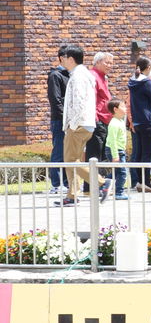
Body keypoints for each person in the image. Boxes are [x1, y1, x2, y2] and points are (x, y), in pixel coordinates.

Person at [59, 44, 106, 206]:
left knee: (70, 161)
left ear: (71, 59)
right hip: (85, 124)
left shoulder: (78, 76)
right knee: (74, 160)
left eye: (64, 58)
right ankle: (72, 195)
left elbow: (78, 102)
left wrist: (72, 125)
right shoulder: (83, 74)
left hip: (78, 125)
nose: (62, 61)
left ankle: (102, 183)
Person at [127, 56, 151, 192]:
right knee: (147, 153)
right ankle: (146, 182)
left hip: (137, 121)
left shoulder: (133, 81)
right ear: (148, 68)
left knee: (139, 153)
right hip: (148, 121)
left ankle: (139, 182)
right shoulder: (147, 82)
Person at [84, 51, 115, 167]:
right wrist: (95, 120)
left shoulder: (103, 77)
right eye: (107, 63)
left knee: (102, 156)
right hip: (97, 121)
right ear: (97, 62)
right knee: (94, 156)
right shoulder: (93, 76)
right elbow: (90, 99)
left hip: (104, 121)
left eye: (111, 63)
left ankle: (99, 183)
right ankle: (91, 184)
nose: (110, 66)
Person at [46, 46, 69, 194]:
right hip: (60, 119)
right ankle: (56, 183)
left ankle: (66, 183)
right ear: (62, 58)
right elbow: (55, 100)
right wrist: (64, 117)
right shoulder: (56, 75)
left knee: (68, 152)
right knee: (59, 151)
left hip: (70, 120)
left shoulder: (70, 74)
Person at [104, 99, 130, 200]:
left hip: (119, 150)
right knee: (122, 172)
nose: (125, 108)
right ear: (115, 109)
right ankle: (119, 192)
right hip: (115, 150)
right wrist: (115, 155)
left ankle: (104, 184)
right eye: (123, 106)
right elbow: (112, 140)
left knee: (117, 172)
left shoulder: (120, 121)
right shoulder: (114, 124)